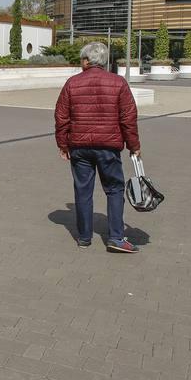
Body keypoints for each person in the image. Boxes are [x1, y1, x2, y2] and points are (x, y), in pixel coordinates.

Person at [54, 41, 141, 252]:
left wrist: (63, 144)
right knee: (114, 189)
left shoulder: (72, 83)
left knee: (83, 190)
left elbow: (61, 116)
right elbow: (128, 118)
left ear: (86, 61)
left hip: (80, 146)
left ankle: (84, 237)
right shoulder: (118, 83)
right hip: (108, 147)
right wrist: (134, 145)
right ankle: (116, 237)